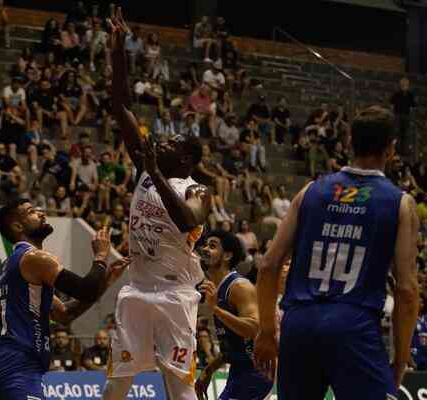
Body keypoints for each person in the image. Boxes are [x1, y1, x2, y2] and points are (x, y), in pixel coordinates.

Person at [254, 106, 420, 399]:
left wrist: (266, 331)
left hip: (299, 324)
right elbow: (406, 291)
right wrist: (401, 357)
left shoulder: (309, 192)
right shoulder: (400, 203)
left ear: (348, 143)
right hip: (353, 326)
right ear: (391, 149)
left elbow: (268, 265)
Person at [103, 10, 212, 400]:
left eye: (171, 144)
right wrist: (118, 51)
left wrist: (154, 171)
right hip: (136, 289)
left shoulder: (195, 189)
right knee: (117, 381)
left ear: (184, 160)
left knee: (179, 386)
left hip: (175, 296)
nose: (160, 142)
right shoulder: (145, 168)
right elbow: (120, 104)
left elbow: (187, 222)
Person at [0, 199, 131, 400]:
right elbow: (85, 290)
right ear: (18, 226)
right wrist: (101, 256)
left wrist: (106, 282)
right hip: (16, 363)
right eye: (31, 212)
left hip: (14, 361)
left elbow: (64, 314)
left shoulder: (17, 263)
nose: (41, 213)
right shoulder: (34, 258)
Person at [194, 230, 273, 400]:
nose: (205, 249)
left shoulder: (239, 287)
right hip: (238, 372)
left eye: (212, 246)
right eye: (205, 245)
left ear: (227, 256)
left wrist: (216, 309)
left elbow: (254, 329)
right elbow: (231, 347)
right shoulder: (218, 289)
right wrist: (208, 371)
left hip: (255, 373)